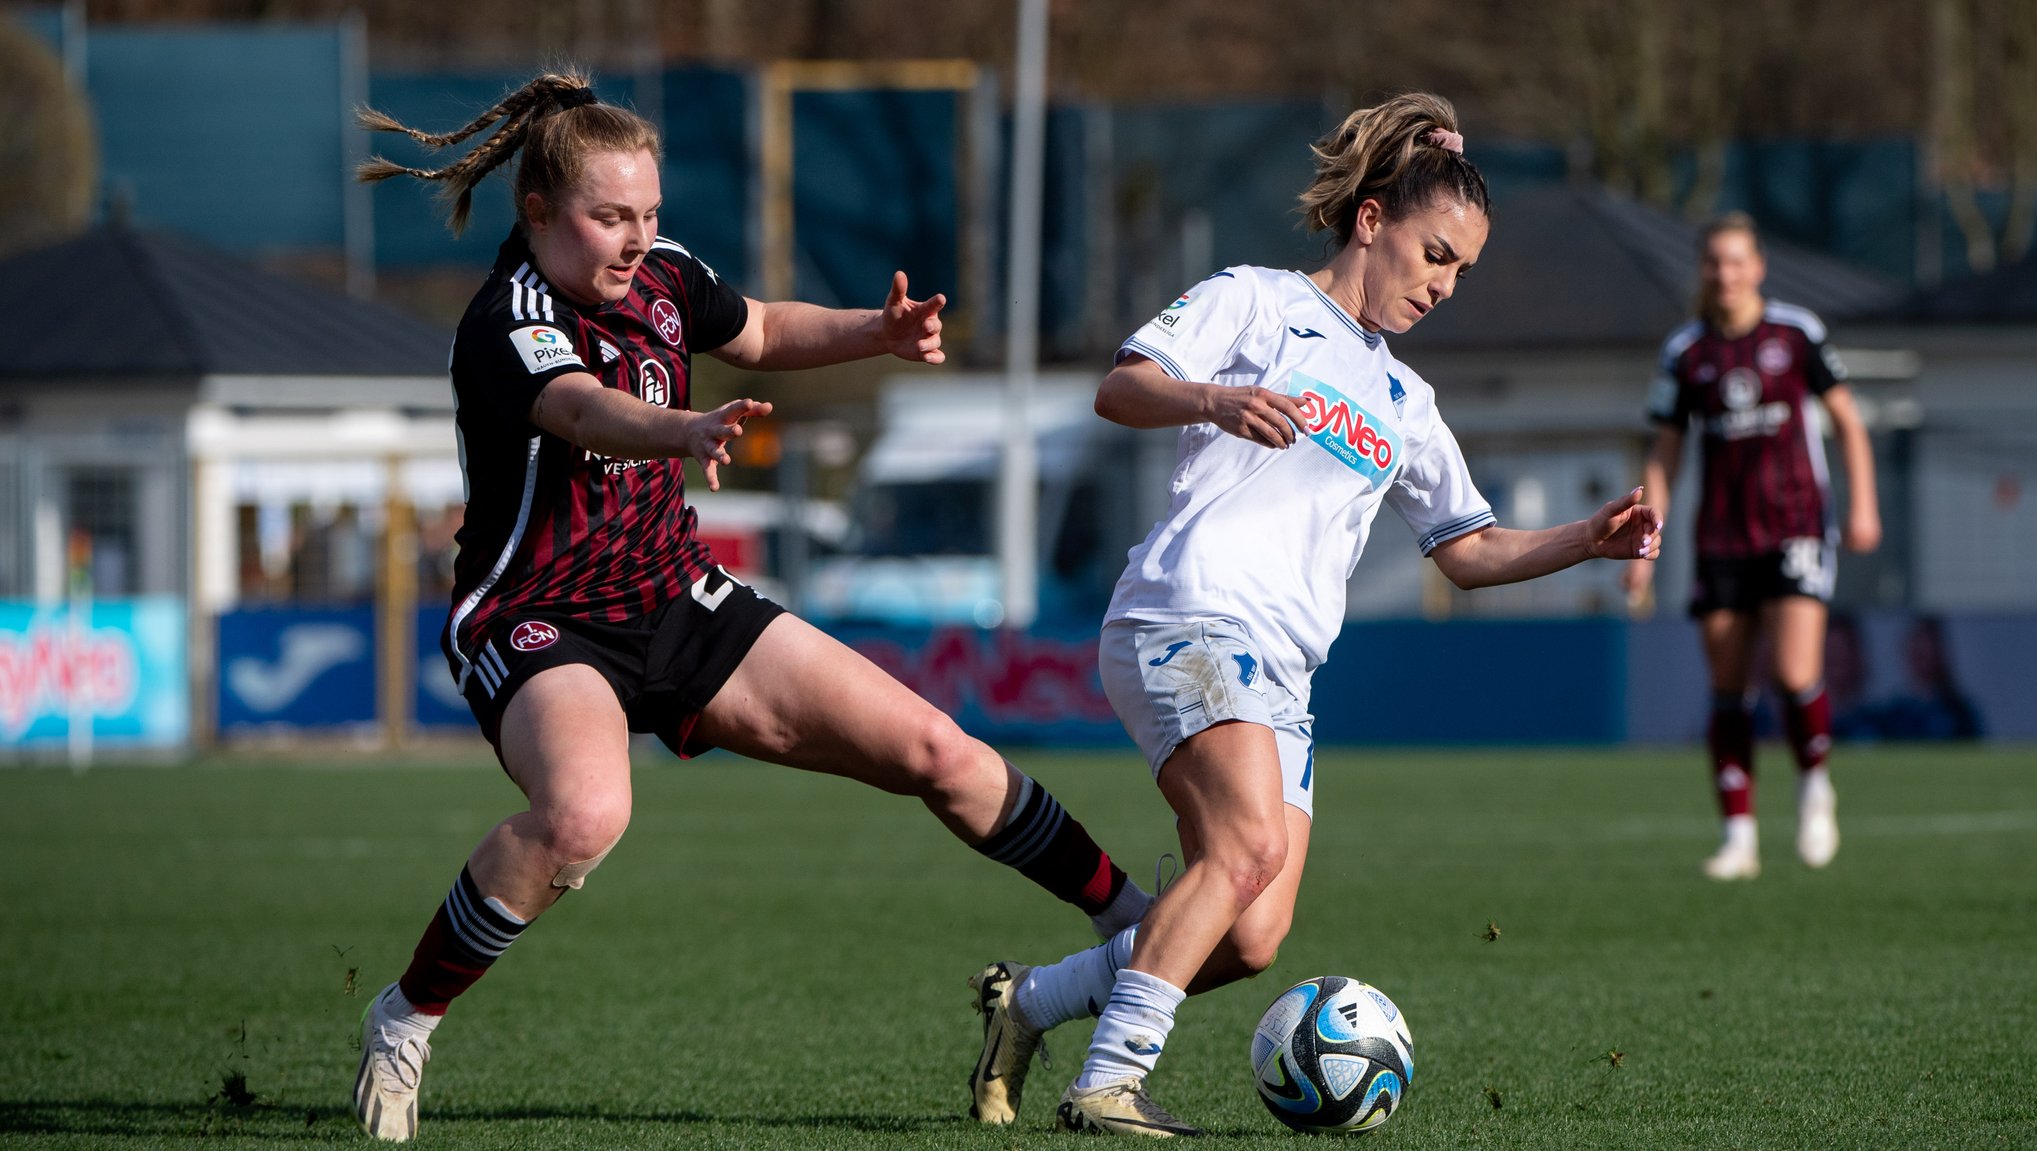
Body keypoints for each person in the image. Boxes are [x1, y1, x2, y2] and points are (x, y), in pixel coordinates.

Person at [346, 71, 1152, 1143]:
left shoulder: (666, 275)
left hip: (676, 598)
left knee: (933, 746)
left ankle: (1128, 920)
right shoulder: (510, 317)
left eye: (648, 214)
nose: (636, 240)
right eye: (607, 217)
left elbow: (762, 325)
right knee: (584, 817)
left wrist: (878, 326)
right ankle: (406, 1014)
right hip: (539, 617)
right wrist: (675, 427)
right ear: (537, 214)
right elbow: (580, 409)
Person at [967, 92, 1664, 1137]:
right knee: (1242, 846)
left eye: (1459, 271)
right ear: (1372, 219)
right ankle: (1107, 1080)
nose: (1442, 285)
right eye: (1434, 254)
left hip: (1281, 671)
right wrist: (1209, 399)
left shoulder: (1406, 402)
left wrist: (1582, 539)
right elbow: (1123, 386)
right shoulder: (1254, 302)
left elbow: (1466, 550)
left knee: (1248, 935)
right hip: (1184, 616)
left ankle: (1028, 1003)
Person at [1622, 212, 1882, 881]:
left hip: (1796, 523)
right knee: (1728, 683)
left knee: (1795, 671)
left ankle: (1815, 784)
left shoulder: (1797, 334)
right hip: (1723, 537)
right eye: (1714, 262)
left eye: (1737, 261)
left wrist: (1865, 506)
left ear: (1758, 267)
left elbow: (1849, 422)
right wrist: (1646, 543)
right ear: (1703, 270)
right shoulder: (1686, 351)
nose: (1725, 274)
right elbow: (1666, 452)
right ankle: (1739, 837)